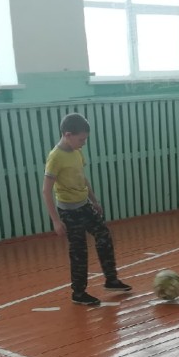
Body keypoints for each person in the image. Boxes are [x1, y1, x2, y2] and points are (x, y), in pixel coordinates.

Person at [42, 113, 131, 306]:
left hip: (85, 205)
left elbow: (82, 177)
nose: (84, 143)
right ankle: (79, 292)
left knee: (104, 235)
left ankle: (111, 280)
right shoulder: (55, 157)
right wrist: (56, 220)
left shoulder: (77, 151)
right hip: (69, 212)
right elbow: (46, 190)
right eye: (81, 139)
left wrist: (94, 200)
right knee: (79, 251)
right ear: (68, 135)